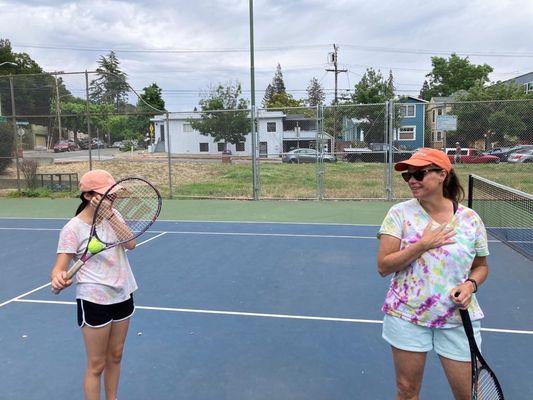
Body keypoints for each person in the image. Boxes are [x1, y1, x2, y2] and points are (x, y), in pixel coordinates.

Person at [377, 148, 489, 400]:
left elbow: (481, 266)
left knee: (469, 395)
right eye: (408, 176)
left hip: (457, 320)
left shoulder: (471, 220)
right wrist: (422, 244)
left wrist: (471, 285)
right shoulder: (399, 214)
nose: (412, 180)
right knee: (406, 391)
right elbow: (384, 266)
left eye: (419, 174)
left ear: (442, 174)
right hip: (407, 315)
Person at [51, 169, 138, 400]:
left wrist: (110, 214)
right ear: (90, 196)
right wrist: (58, 277)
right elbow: (59, 267)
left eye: (113, 195)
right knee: (97, 364)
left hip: (123, 293)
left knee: (116, 355)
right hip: (94, 299)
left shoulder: (114, 215)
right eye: (108, 195)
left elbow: (130, 244)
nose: (113, 199)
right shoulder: (73, 228)